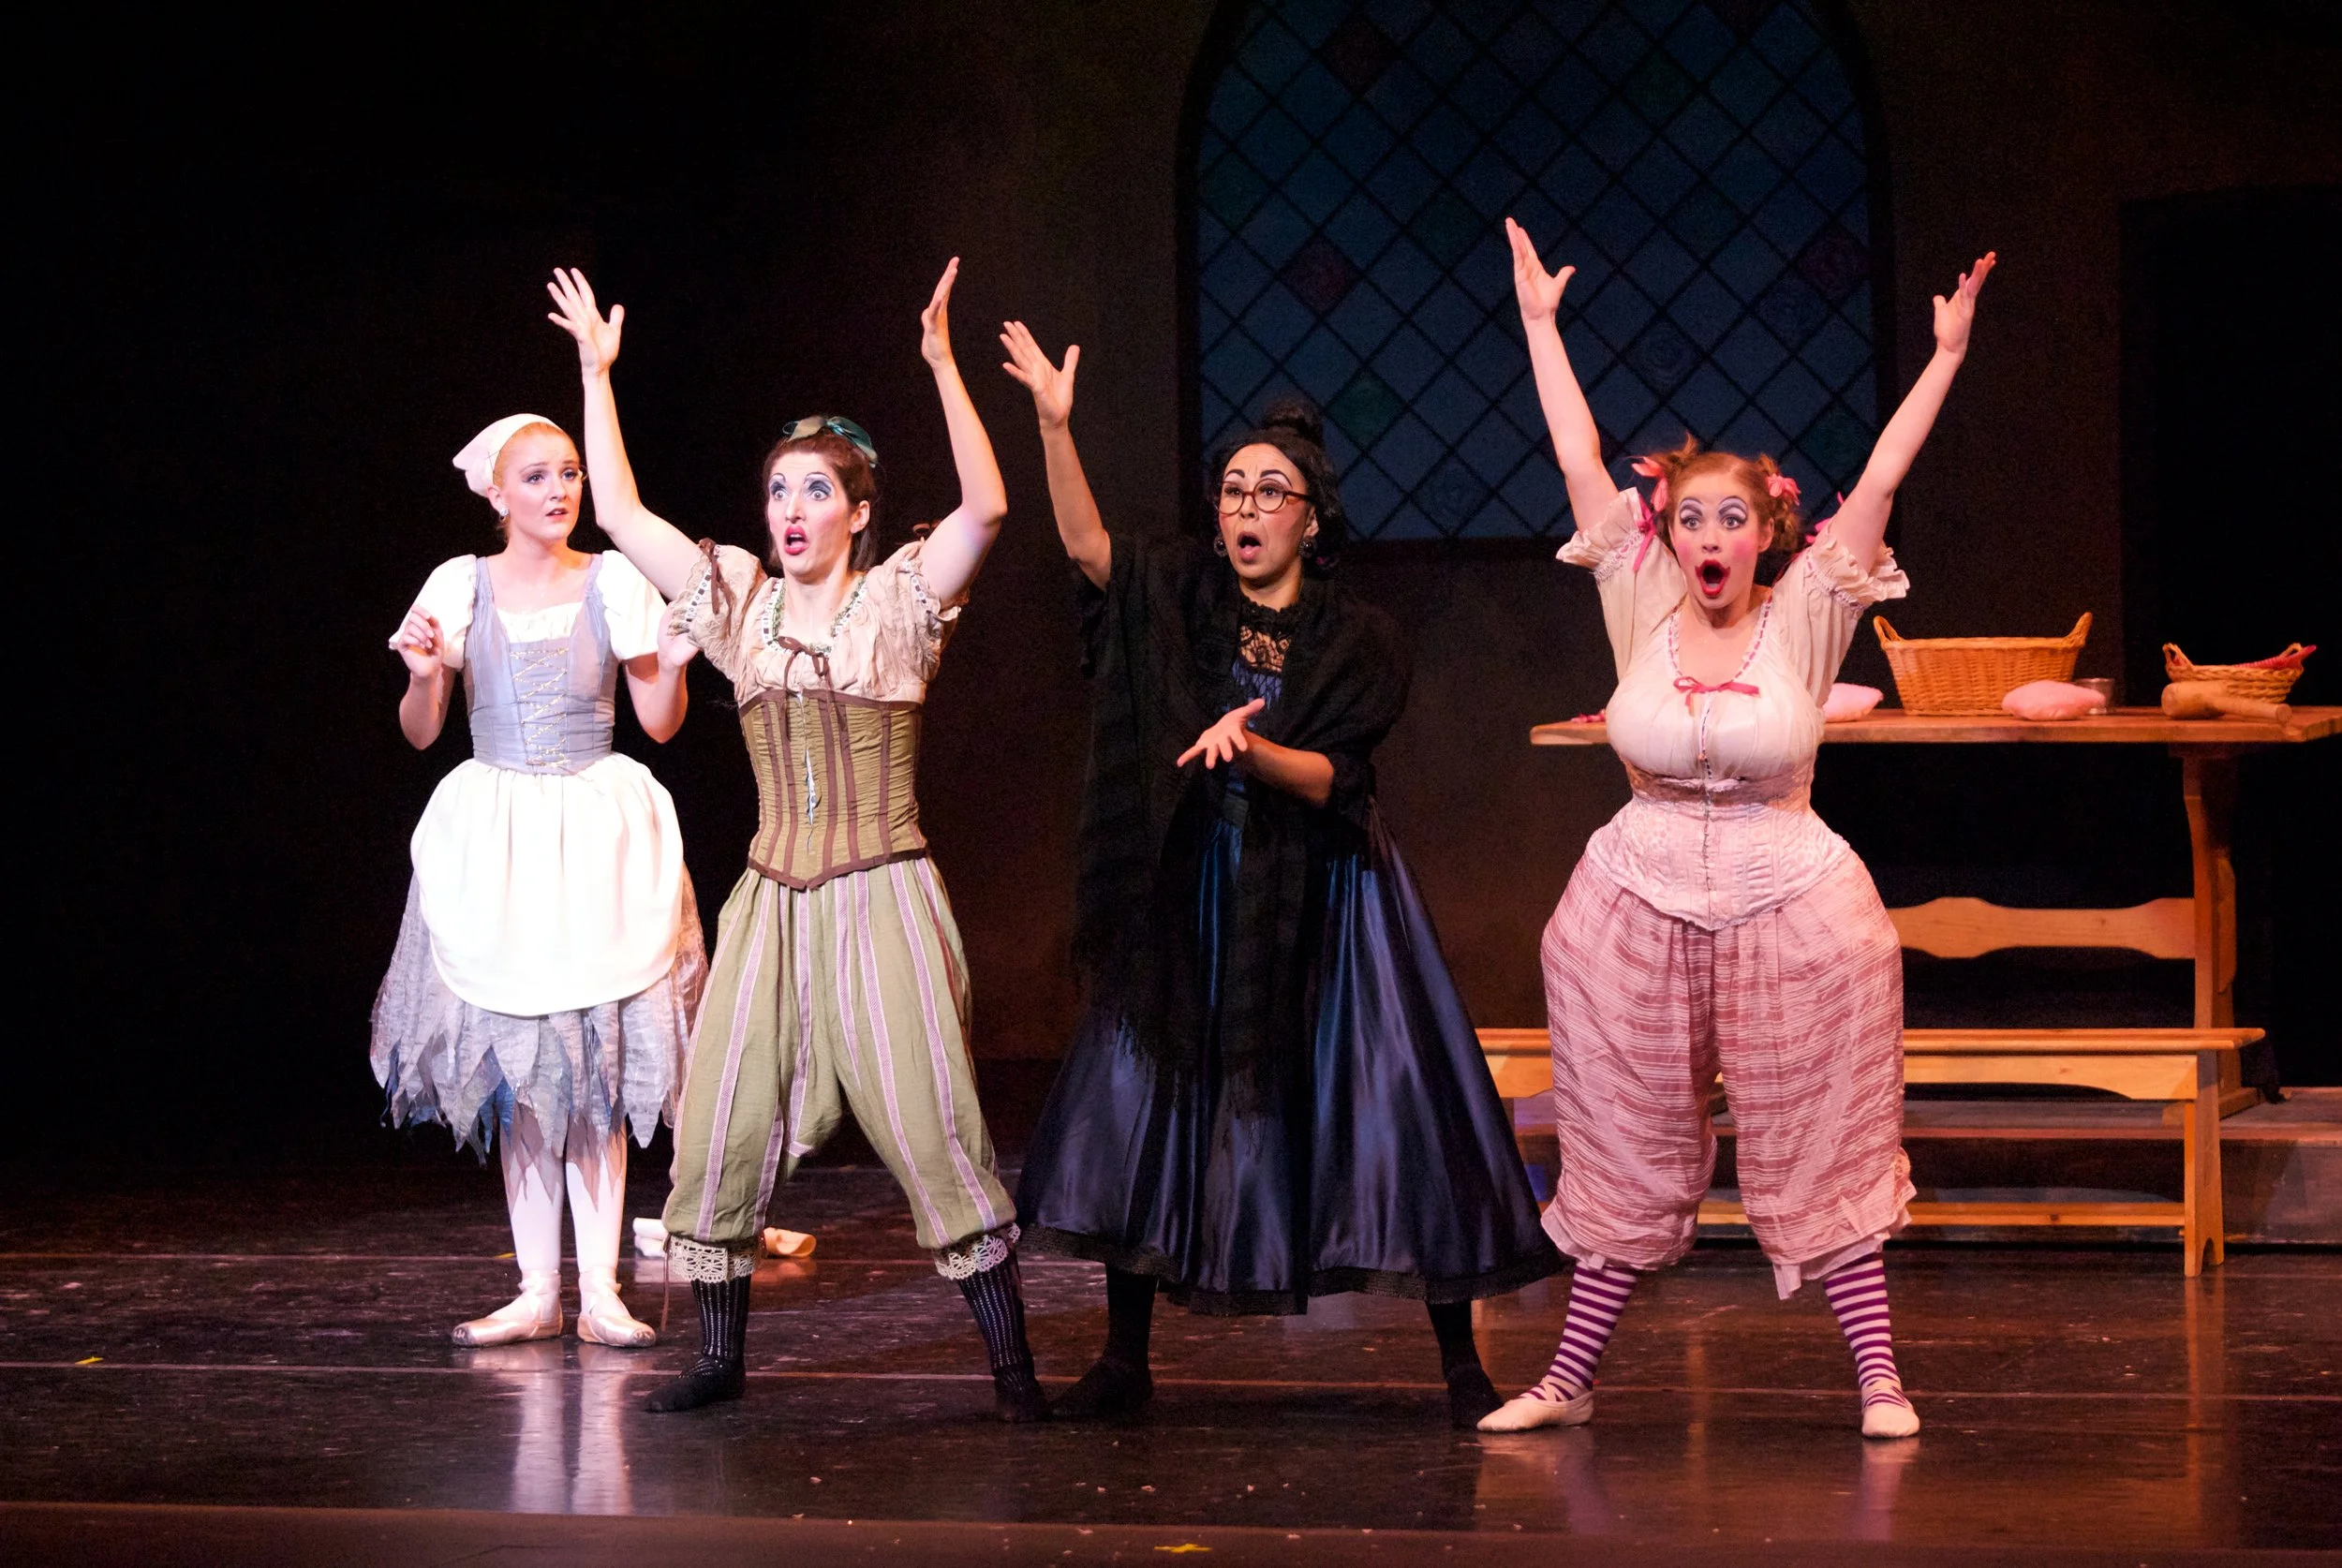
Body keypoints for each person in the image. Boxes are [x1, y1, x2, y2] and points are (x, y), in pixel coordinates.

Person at [1483, 218, 1997, 1440]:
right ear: (1667, 531)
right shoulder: (1638, 602)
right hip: (1633, 900)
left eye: (1732, 519)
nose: (1709, 538)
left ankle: (1879, 1378)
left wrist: (1944, 356)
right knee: (1621, 1136)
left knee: (1823, 1129)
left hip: (1790, 903)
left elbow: (1880, 479)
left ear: (1768, 530)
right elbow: (1577, 456)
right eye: (1691, 519)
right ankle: (1567, 1378)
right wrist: (1542, 327)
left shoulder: (1810, 611)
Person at [999, 324, 1559, 1428]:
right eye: (1232, 491)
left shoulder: (1357, 638)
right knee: (1148, 1098)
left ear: (1311, 517)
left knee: (1393, 1101)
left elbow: (1335, 778)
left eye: (1270, 492)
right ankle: (1124, 1356)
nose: (1245, 509)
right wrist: (1056, 429)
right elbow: (1090, 549)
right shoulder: (1183, 594)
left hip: (1330, 891)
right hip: (1198, 879)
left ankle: (1459, 1363)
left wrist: (1251, 750)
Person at [547, 260, 1046, 1419]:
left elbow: (986, 508)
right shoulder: (739, 600)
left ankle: (1014, 1371)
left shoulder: (901, 601)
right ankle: (718, 1361)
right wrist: (596, 374)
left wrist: (941, 364)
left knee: (930, 1122)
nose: (790, 509)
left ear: (858, 512)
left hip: (882, 890)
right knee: (721, 1116)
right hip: (772, 896)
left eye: (815, 491)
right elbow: (620, 515)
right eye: (779, 490)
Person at [375, 413, 706, 1351]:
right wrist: (420, 677)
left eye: (568, 473)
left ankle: (599, 1291)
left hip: (593, 831)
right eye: (536, 476)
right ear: (496, 492)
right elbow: (422, 729)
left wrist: (676, 666)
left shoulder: (613, 580)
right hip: (502, 836)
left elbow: (658, 719)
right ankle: (535, 1290)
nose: (559, 491)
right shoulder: (459, 584)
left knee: (593, 1065)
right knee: (524, 1071)